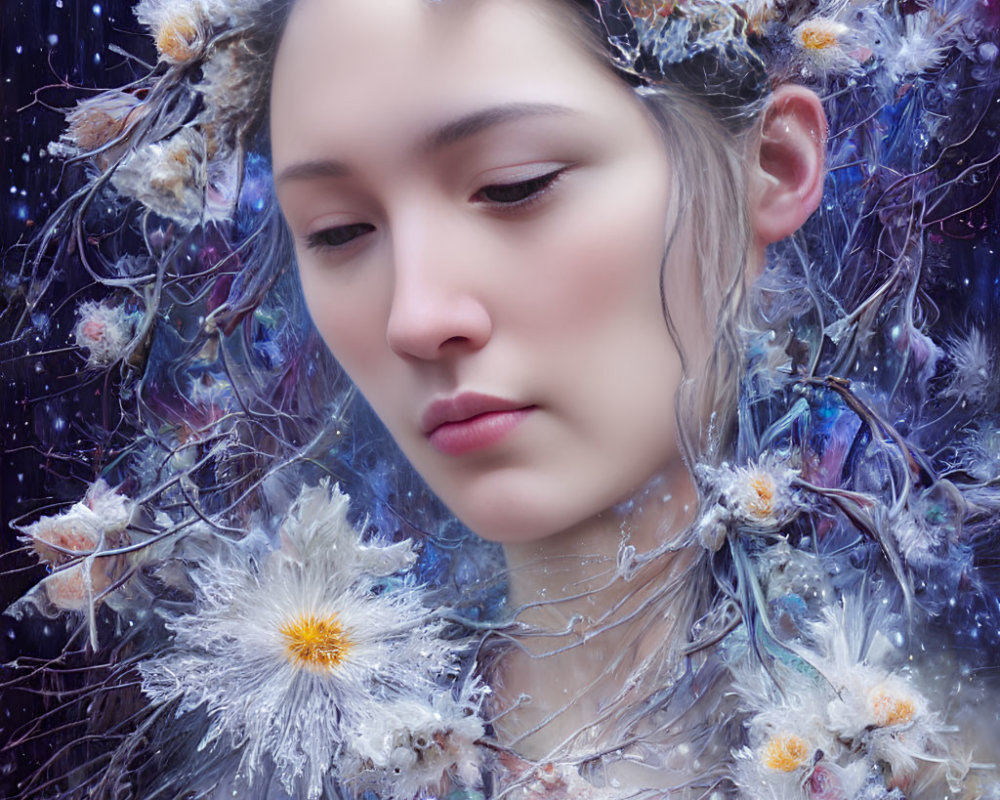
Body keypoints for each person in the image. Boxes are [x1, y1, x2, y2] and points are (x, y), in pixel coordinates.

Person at [2, 1, 999, 799]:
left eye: (515, 186)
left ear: (769, 166)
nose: (416, 314)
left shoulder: (941, 753)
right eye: (341, 231)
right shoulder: (270, 761)